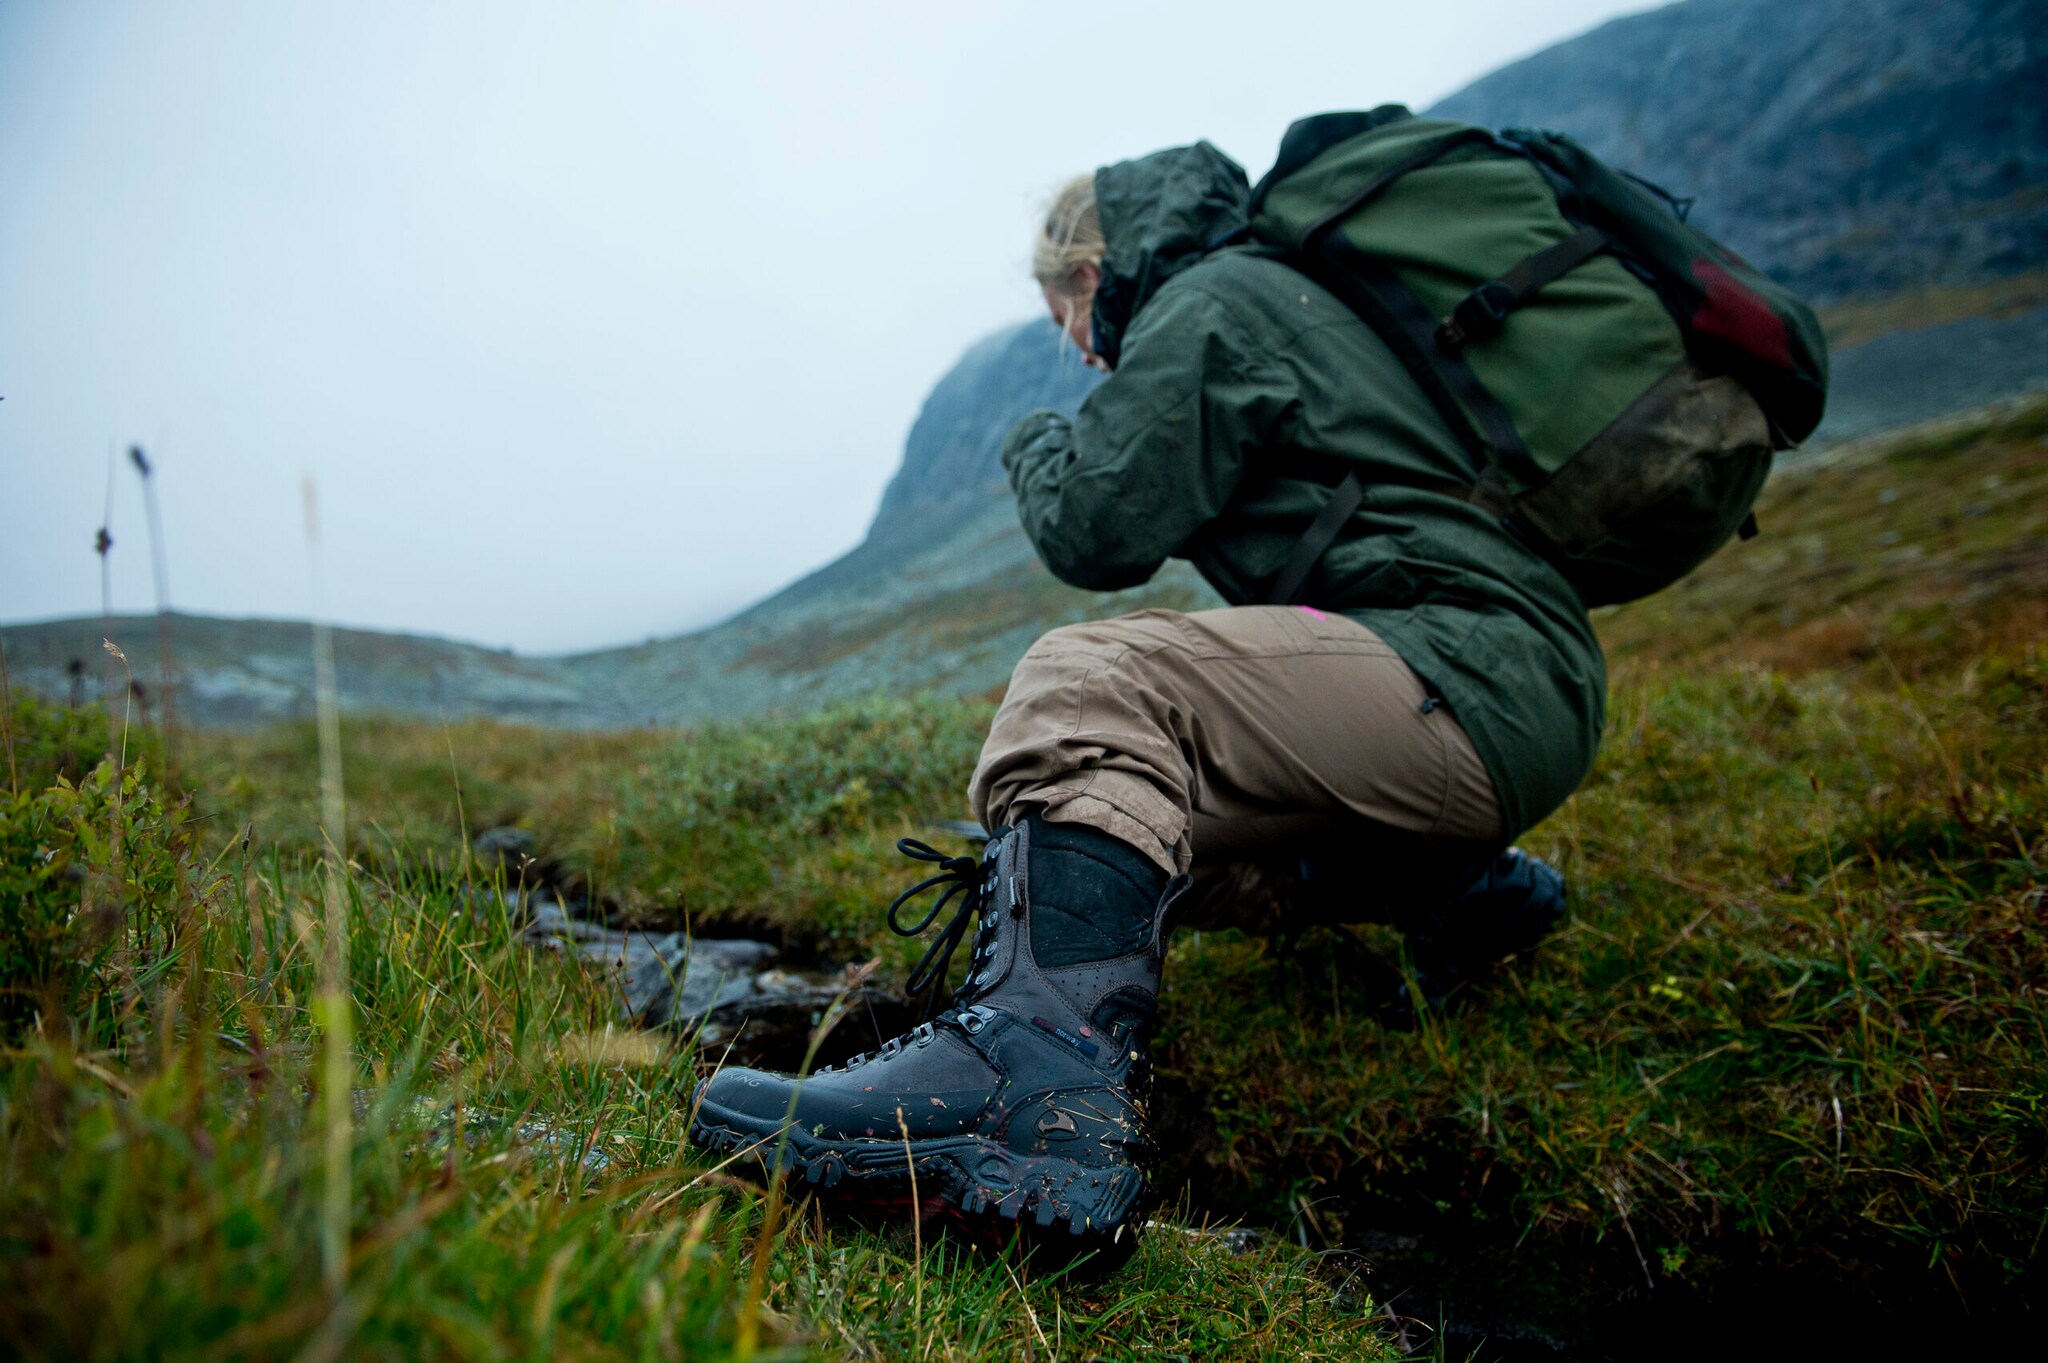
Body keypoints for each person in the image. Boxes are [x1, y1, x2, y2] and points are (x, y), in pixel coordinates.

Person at [689, 130, 1601, 1249]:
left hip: (1473, 672)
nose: (1076, 353)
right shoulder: (1268, 300)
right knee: (1115, 849)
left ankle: (1032, 1102)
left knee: (1090, 680)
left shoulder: (1212, 300)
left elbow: (1096, 524)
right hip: (1489, 694)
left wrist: (1031, 441)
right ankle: (1457, 888)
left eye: (1062, 320)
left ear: (1087, 274)